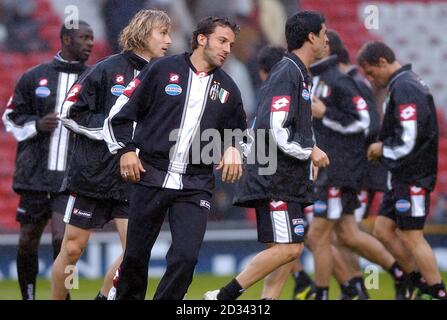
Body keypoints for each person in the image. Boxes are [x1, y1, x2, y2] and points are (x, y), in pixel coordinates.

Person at [103, 16, 246, 300]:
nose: (228, 49)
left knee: (185, 258)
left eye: (231, 43)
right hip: (151, 174)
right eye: (222, 40)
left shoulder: (229, 88)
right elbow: (119, 115)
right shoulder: (160, 69)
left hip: (196, 183)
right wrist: (126, 150)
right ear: (202, 39)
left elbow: (242, 132)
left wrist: (235, 148)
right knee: (134, 258)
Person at [204, 10, 330, 300]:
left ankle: (266, 301)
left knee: (288, 249)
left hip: (285, 177)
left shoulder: (298, 73)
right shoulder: (288, 72)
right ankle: (221, 297)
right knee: (288, 248)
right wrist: (309, 150)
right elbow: (276, 128)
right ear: (311, 37)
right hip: (275, 178)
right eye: (323, 35)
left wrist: (306, 152)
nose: (326, 41)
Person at [50, 10, 172, 300]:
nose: (168, 40)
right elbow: (68, 112)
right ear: (143, 32)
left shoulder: (165, 77)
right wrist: (114, 133)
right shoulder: (106, 69)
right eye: (162, 33)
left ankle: (104, 298)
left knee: (135, 250)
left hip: (133, 177)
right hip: (93, 174)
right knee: (72, 249)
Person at [306, 30, 408, 300]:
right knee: (345, 235)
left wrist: (326, 114)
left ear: (328, 51)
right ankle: (359, 288)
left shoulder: (348, 81)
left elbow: (370, 125)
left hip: (354, 170)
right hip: (342, 169)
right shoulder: (328, 80)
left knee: (324, 236)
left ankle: (336, 290)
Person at [1, 20, 93, 300]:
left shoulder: (94, 79)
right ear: (65, 39)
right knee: (28, 240)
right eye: (83, 37)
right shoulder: (34, 77)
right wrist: (38, 125)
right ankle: (28, 296)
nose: (90, 43)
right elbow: (10, 119)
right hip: (35, 177)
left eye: (91, 38)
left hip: (70, 180)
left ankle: (63, 297)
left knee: (64, 242)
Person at [359, 41, 446, 300]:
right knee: (382, 229)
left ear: (383, 62)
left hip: (413, 174)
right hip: (400, 175)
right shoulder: (404, 83)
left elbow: (409, 137)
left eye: (372, 73)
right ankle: (418, 284)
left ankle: (436, 292)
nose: (372, 80)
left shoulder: (405, 86)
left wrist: (381, 149)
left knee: (412, 235)